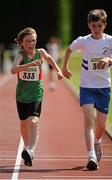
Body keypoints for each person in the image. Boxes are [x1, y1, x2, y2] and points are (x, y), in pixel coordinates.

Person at [62, 9, 112, 170]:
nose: (97, 29)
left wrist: (108, 58)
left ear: (105, 25)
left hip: (104, 87)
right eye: (94, 25)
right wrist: (65, 68)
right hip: (87, 86)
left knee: (101, 125)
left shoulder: (111, 41)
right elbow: (68, 49)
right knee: (89, 120)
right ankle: (91, 156)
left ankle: (97, 141)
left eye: (100, 26)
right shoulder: (84, 41)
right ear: (89, 25)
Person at [11, 27, 63, 166]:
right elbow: (13, 70)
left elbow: (50, 59)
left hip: (36, 94)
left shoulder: (40, 52)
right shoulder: (20, 55)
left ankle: (31, 151)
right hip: (22, 95)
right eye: (28, 41)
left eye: (33, 41)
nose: (31, 43)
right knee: (23, 124)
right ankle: (27, 148)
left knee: (34, 122)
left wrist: (58, 71)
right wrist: (30, 64)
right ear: (22, 42)